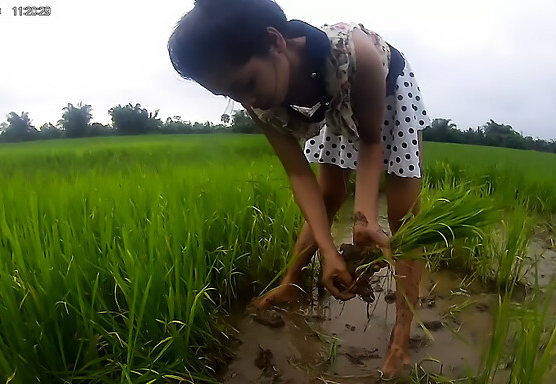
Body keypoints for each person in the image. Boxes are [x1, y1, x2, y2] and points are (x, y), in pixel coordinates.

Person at [168, 0, 427, 376]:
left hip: (381, 91)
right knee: (328, 194)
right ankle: (291, 284)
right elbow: (299, 174)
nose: (246, 100)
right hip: (323, 98)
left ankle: (401, 340)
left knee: (406, 219)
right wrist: (328, 250)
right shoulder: (255, 93)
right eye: (229, 93)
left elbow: (372, 142)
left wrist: (365, 218)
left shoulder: (358, 54)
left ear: (275, 42)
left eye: (246, 84)